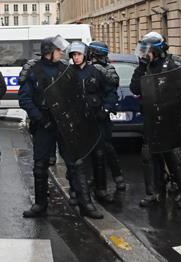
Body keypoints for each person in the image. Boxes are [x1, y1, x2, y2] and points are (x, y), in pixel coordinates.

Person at [19, 35, 102, 219]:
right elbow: (25, 99)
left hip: (65, 123)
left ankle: (85, 203)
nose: (62, 53)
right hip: (44, 124)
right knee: (40, 165)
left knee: (76, 163)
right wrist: (41, 119)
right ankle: (40, 205)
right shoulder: (34, 71)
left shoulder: (65, 69)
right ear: (48, 53)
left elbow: (75, 95)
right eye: (58, 50)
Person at [131, 32, 181, 210]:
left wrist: (178, 111)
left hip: (171, 119)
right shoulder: (145, 67)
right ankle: (154, 193)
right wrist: (141, 67)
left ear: (156, 50)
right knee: (149, 156)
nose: (144, 54)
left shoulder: (174, 64)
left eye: (147, 51)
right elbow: (136, 88)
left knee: (175, 157)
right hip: (151, 119)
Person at [68, 41, 113, 207]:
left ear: (85, 55)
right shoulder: (67, 73)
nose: (76, 57)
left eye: (78, 54)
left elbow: (110, 92)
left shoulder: (96, 72)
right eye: (73, 55)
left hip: (96, 120)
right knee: (77, 158)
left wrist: (106, 109)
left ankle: (101, 189)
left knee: (99, 156)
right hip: (77, 123)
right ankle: (76, 190)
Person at [87, 41, 126, 192]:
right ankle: (96, 177)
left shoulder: (106, 69)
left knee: (106, 148)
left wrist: (105, 109)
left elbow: (112, 87)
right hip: (91, 114)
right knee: (93, 149)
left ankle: (118, 177)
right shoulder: (92, 68)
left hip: (102, 114)